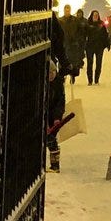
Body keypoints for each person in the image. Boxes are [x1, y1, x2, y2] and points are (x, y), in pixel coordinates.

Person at [46, 9, 73, 172]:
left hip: (51, 64)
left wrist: (57, 117)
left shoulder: (52, 22)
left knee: (51, 136)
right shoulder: (53, 22)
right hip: (47, 64)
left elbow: (60, 101)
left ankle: (54, 163)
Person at [58, 5, 86, 84]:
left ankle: (72, 76)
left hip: (73, 44)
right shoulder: (60, 20)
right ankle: (62, 76)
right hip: (64, 44)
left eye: (68, 10)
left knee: (73, 61)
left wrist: (77, 39)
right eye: (66, 10)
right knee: (62, 60)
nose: (67, 11)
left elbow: (80, 31)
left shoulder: (75, 20)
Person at [84, 10, 110, 84]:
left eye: (97, 15)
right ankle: (90, 80)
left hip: (99, 47)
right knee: (90, 63)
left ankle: (96, 80)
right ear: (92, 15)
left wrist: (107, 44)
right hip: (90, 47)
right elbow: (84, 35)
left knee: (99, 63)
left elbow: (105, 35)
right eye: (94, 15)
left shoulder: (101, 24)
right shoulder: (88, 24)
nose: (95, 16)